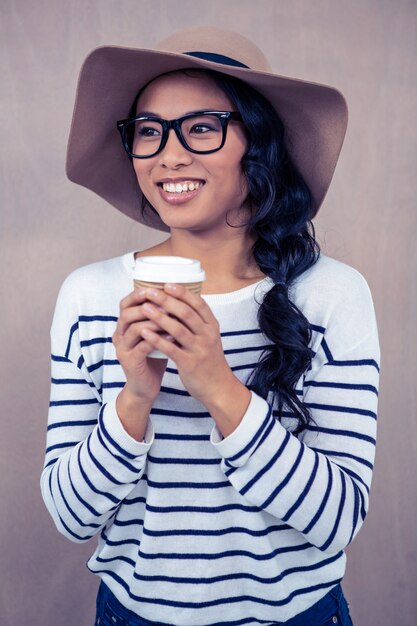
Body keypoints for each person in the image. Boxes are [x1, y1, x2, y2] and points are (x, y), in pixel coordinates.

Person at [40, 26, 380, 626]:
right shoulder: (90, 296)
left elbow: (337, 520)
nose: (169, 154)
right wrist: (135, 399)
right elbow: (70, 517)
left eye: (201, 127)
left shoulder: (331, 294)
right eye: (149, 131)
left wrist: (218, 385)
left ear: (260, 144)